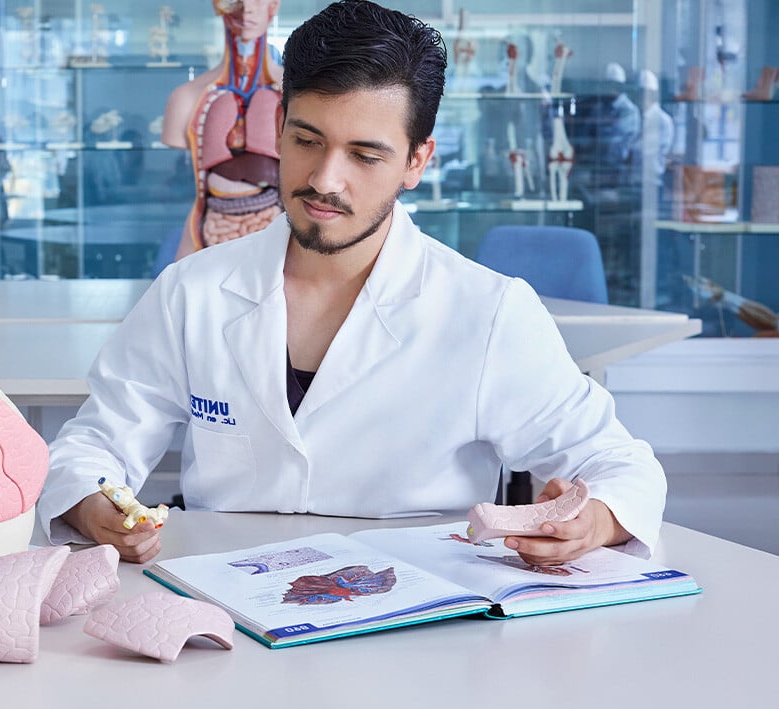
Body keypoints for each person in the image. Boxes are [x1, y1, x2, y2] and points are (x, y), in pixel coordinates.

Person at [36, 0, 666, 567]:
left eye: (366, 156)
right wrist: (92, 504)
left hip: (423, 614)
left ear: (417, 160)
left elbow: (616, 463)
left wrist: (596, 520)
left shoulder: (489, 311)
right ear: (279, 125)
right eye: (306, 140)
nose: (325, 181)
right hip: (226, 604)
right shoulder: (191, 291)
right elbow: (95, 442)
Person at [161, 0, 284, 259]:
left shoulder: (296, 92)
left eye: (257, 0)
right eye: (235, 0)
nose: (247, 8)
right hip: (207, 240)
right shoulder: (186, 98)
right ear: (219, 5)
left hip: (278, 240)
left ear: (274, 5)